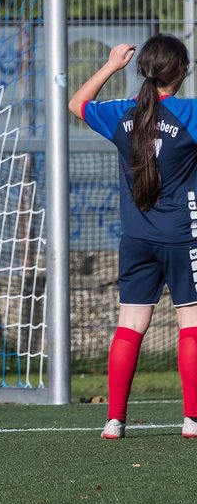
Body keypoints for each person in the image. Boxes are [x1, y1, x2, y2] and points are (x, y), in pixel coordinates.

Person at [70, 34, 197, 440]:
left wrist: (110, 66)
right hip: (182, 236)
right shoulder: (189, 114)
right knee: (191, 325)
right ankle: (192, 420)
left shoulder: (123, 113)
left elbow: (77, 104)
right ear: (182, 73)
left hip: (136, 238)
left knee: (130, 326)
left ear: (143, 68)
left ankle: (114, 420)